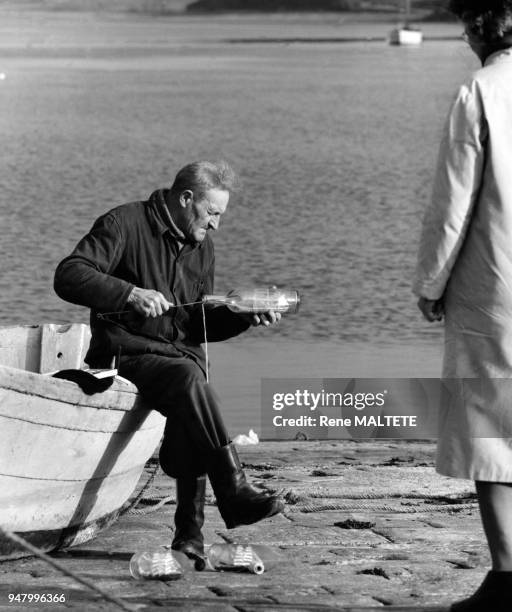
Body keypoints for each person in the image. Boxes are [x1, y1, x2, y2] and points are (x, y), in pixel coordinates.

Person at [54, 160, 284, 568]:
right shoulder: (123, 223)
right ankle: (232, 492)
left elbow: (194, 325)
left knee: (191, 380)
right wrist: (128, 293)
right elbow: (68, 275)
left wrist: (242, 317)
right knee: (188, 377)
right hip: (125, 356)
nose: (215, 226)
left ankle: (191, 539)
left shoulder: (201, 246)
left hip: (178, 363)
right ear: (186, 199)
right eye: (212, 213)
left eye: (220, 216)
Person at [414, 1, 512, 610]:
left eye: (468, 24)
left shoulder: (481, 90)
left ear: (485, 27)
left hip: (496, 290)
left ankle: (507, 578)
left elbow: (452, 205)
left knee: (492, 433)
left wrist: (430, 284)